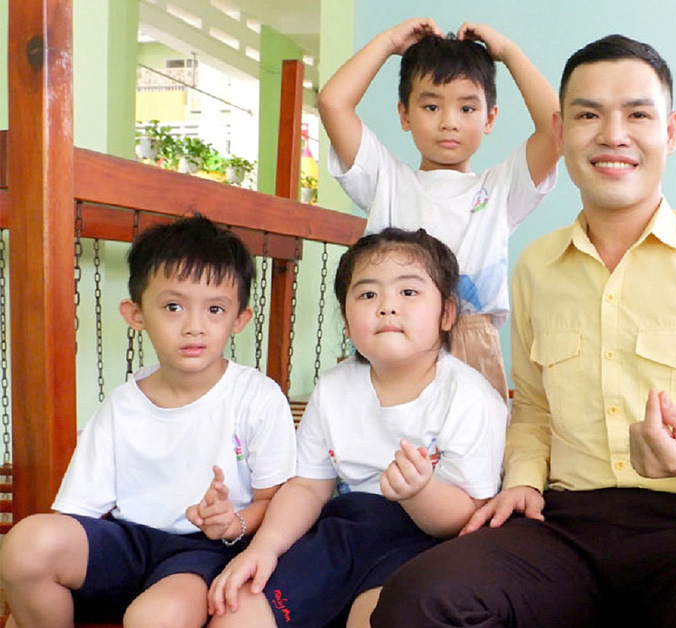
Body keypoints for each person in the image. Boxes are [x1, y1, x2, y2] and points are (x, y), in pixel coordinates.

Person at [369, 34, 676, 628]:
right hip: (563, 525)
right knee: (420, 597)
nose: (612, 135)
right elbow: (534, 410)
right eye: (588, 115)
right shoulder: (537, 267)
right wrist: (520, 481)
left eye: (637, 115)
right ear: (561, 131)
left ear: (669, 132)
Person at [0, 215, 296, 627]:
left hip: (205, 552)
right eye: (173, 306)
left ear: (238, 319)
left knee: (154, 617)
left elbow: (277, 500)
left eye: (214, 309)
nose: (194, 326)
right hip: (129, 542)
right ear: (136, 314)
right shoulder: (122, 405)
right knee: (24, 546)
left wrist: (233, 522)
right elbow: (78, 513)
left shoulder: (257, 397)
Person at [206, 228, 508, 628]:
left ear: (446, 314)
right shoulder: (333, 388)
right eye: (367, 295)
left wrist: (420, 492)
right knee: (237, 611)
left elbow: (466, 516)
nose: (386, 307)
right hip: (343, 535)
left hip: (426, 546)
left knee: (380, 617)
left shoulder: (470, 398)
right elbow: (308, 487)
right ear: (347, 321)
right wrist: (262, 549)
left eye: (408, 293)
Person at [319, 17, 559, 398]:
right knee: (387, 453)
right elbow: (333, 103)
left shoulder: (499, 190)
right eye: (431, 106)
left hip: (470, 341)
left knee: (474, 456)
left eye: (467, 108)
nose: (449, 122)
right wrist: (386, 41)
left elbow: (556, 128)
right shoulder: (387, 181)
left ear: (489, 118)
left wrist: (509, 53)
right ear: (404, 114)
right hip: (392, 339)